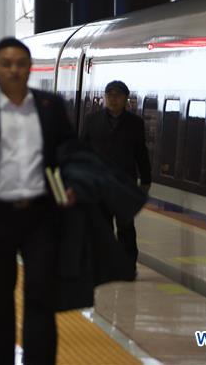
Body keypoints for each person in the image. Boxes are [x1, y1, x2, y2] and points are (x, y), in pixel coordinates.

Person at [0, 37, 78, 365]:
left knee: (41, 295)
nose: (14, 70)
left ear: (29, 68)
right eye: (6, 64)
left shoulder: (50, 106)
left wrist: (69, 183)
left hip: (41, 214)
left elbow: (68, 150)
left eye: (20, 64)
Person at [80, 80, 151, 276]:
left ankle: (128, 267)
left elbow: (141, 153)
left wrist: (146, 180)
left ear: (125, 99)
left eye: (117, 95)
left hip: (124, 184)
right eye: (110, 95)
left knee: (126, 227)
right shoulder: (92, 120)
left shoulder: (135, 124)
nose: (113, 99)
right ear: (105, 98)